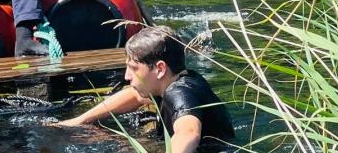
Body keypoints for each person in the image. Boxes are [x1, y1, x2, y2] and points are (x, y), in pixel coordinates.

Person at [57, 26, 236, 152]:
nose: (127, 76)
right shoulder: (175, 81)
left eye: (134, 68)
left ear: (159, 69)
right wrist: (80, 120)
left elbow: (188, 133)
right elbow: (135, 95)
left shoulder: (180, 92)